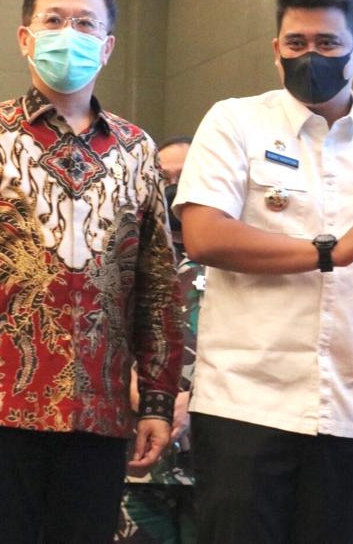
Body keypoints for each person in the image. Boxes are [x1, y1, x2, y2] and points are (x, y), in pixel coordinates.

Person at [174, 0, 353, 542]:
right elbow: (203, 235)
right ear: (276, 50)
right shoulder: (235, 121)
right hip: (245, 401)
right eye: (296, 43)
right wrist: (325, 252)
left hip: (352, 408)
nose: (310, 57)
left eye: (327, 44)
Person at [0, 0, 183, 544]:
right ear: (25, 38)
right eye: (54, 21)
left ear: (107, 47)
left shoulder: (137, 150)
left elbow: (159, 288)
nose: (69, 33)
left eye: (86, 24)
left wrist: (157, 402)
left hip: (102, 411)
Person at [116, 147, 201, 544]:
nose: (174, 189)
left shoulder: (237, 258)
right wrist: (132, 382)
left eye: (186, 176)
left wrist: (197, 399)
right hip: (135, 460)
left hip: (214, 462)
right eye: (164, 178)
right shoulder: (123, 255)